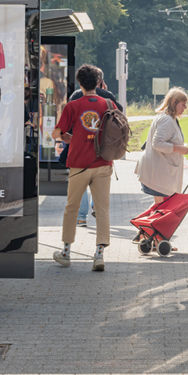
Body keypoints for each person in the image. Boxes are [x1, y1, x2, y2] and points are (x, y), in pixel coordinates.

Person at [51, 63, 113, 272]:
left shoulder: (73, 106)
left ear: (79, 83)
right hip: (103, 163)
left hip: (78, 164)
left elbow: (55, 133)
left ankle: (66, 252)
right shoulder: (108, 104)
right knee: (102, 209)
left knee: (72, 208)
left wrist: (65, 136)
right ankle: (99, 254)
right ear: (98, 83)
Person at [136, 87, 188, 208]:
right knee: (161, 207)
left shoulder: (168, 118)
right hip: (159, 173)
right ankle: (144, 225)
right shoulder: (166, 119)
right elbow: (157, 143)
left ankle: (144, 226)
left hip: (160, 171)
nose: (185, 108)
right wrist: (179, 149)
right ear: (174, 102)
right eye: (183, 104)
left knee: (160, 206)